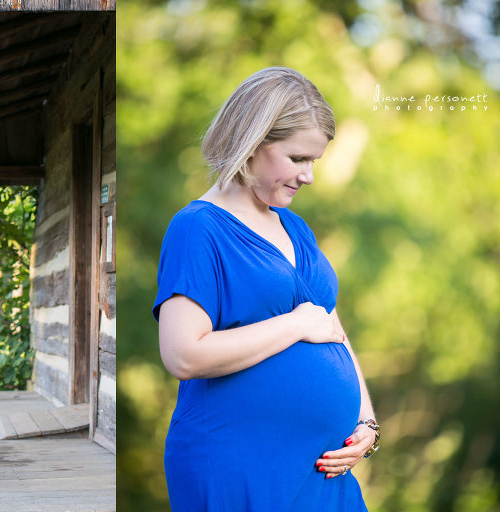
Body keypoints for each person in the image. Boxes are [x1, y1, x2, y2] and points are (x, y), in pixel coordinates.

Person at [153, 67, 380, 511]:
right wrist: (293, 325)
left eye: (314, 161)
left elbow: (328, 327)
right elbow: (183, 355)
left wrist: (366, 423)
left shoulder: (296, 228)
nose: (308, 176)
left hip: (323, 471)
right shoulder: (197, 228)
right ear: (252, 142)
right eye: (298, 158)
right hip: (240, 464)